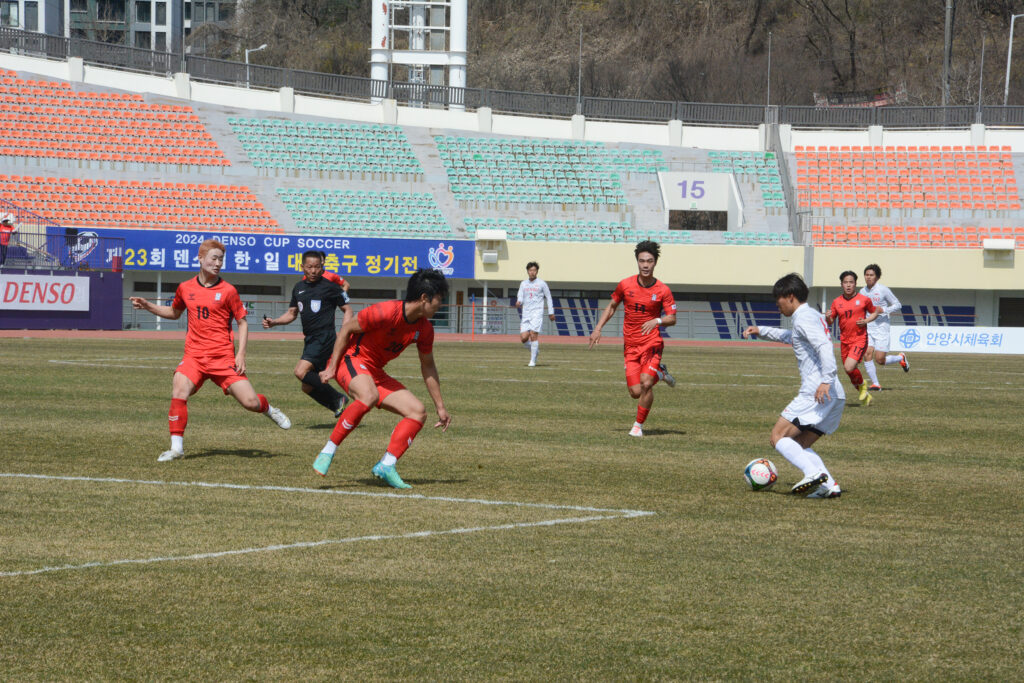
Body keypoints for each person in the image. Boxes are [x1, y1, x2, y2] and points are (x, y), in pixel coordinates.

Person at [130, 239, 291, 462]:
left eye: (221, 259)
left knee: (250, 403)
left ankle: (268, 409)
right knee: (179, 390)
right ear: (201, 258)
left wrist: (241, 354)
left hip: (222, 358)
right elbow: (175, 312)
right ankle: (177, 449)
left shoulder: (228, 291)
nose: (218, 263)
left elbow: (242, 322)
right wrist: (148, 306)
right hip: (194, 356)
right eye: (214, 258)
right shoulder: (185, 288)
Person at [312, 268, 452, 489]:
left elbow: (428, 367)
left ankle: (387, 465)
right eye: (439, 300)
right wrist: (331, 367)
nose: (441, 305)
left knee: (417, 411)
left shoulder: (424, 329)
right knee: (368, 396)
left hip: (374, 371)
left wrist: (441, 407)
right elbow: (347, 328)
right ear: (424, 298)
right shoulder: (386, 311)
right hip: (350, 360)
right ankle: (328, 450)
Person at [742, 273, 842, 498]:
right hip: (835, 393)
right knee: (799, 444)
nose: (777, 304)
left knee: (778, 437)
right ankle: (830, 485)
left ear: (789, 297)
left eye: (778, 299)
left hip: (817, 391)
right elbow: (792, 337)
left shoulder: (804, 317)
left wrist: (826, 379)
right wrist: (761, 330)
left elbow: (825, 346)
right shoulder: (810, 316)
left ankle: (813, 473)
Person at [588, 240, 677, 437]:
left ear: (655, 263)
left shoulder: (663, 290)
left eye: (650, 261)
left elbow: (672, 318)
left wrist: (657, 321)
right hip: (630, 345)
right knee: (635, 392)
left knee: (646, 383)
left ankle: (638, 426)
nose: (645, 265)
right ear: (637, 262)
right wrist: (598, 328)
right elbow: (612, 306)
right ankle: (660, 374)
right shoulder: (625, 284)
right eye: (642, 261)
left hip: (652, 343)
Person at [262, 250, 353, 417]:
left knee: (300, 372)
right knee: (307, 386)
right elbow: (292, 313)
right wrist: (274, 322)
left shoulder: (330, 287)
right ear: (302, 267)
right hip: (310, 339)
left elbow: (348, 310)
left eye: (317, 267)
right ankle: (336, 405)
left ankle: (338, 398)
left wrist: (344, 332)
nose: (313, 271)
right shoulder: (298, 288)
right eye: (309, 267)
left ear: (322, 267)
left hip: (325, 337)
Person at [826, 270, 879, 407]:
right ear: (841, 284)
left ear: (855, 284)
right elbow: (831, 321)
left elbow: (875, 312)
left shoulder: (864, 300)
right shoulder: (837, 302)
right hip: (844, 341)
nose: (848, 285)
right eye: (845, 282)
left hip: (859, 339)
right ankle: (864, 392)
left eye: (851, 282)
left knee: (849, 367)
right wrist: (828, 317)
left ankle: (862, 385)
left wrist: (866, 320)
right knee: (848, 370)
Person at [860, 263, 910, 390]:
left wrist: (884, 309)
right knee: (867, 354)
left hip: (882, 327)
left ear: (877, 277)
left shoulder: (883, 290)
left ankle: (900, 358)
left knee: (880, 360)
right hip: (868, 327)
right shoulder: (862, 291)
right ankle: (876, 383)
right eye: (866, 275)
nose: (868, 277)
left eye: (871, 275)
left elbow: (898, 304)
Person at [516, 261, 556, 367]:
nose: (532, 272)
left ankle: (532, 361)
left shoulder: (542, 283)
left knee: (533, 335)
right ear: (527, 272)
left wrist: (551, 312)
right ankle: (535, 351)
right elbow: (520, 295)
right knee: (524, 338)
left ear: (537, 271)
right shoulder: (523, 284)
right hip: (526, 313)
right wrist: (519, 301)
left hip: (537, 313)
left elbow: (549, 297)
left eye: (534, 270)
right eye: (530, 270)